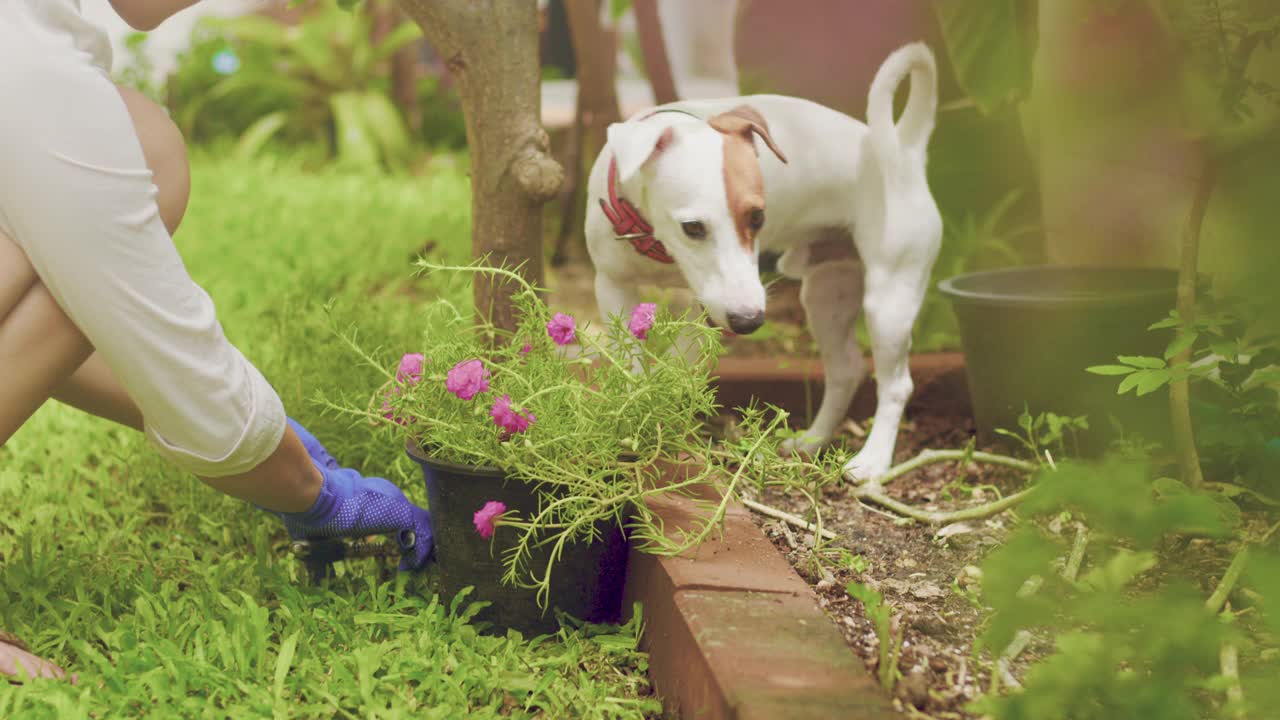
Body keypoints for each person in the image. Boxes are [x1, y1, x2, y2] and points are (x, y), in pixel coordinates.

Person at [0, 0, 434, 681]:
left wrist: (170, 400)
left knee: (144, 146)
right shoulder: (28, 73)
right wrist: (314, 490)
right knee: (129, 167)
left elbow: (66, 321)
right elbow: (189, 379)